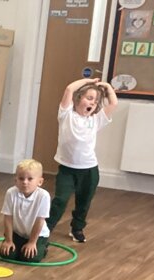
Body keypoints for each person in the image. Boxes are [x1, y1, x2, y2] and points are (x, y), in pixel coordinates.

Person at [47, 77, 118, 243]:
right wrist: (88, 81)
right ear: (78, 99)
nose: (93, 103)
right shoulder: (66, 115)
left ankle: (77, 228)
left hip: (89, 170)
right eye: (89, 98)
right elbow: (69, 89)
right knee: (60, 200)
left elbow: (113, 103)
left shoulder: (95, 120)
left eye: (96, 101)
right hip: (67, 169)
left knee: (84, 202)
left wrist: (107, 87)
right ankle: (46, 228)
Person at [0, 159, 50, 263]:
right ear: (16, 180)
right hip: (18, 233)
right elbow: (7, 218)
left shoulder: (43, 196)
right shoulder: (11, 193)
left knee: (30, 258)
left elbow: (39, 221)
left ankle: (43, 247)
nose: (25, 182)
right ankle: (19, 246)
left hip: (38, 235)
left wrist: (32, 242)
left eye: (30, 179)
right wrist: (8, 240)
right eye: (21, 178)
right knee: (7, 254)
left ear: (40, 181)